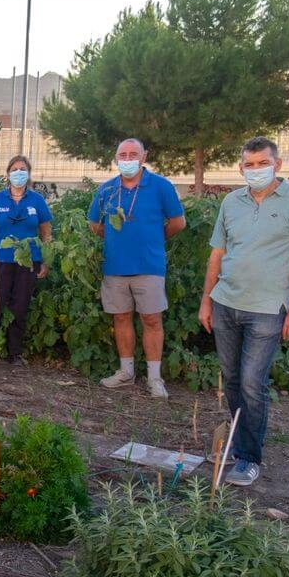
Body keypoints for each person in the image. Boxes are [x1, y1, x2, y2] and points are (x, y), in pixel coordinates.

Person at [198, 136, 289, 487]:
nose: (255, 170)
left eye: (261, 163)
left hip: (268, 309)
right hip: (226, 303)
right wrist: (207, 300)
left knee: (253, 383)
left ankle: (249, 458)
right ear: (241, 167)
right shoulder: (231, 201)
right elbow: (217, 254)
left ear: (277, 164)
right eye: (249, 165)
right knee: (234, 381)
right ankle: (239, 443)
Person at [87, 138, 186, 398]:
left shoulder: (160, 186)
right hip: (115, 267)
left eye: (133, 154)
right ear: (116, 158)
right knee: (121, 318)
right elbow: (94, 223)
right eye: (123, 154)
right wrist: (114, 240)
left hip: (149, 266)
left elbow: (178, 222)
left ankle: (154, 378)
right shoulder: (107, 190)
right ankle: (126, 372)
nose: (128, 159)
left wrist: (154, 239)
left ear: (144, 157)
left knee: (151, 319)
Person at [0, 155, 52, 365]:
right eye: (15, 169)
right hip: (0, 260)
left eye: (23, 169)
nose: (19, 173)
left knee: (20, 306)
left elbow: (46, 233)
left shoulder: (37, 200)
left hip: (28, 262)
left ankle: (14, 353)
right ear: (8, 174)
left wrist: (45, 260)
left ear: (28, 173)